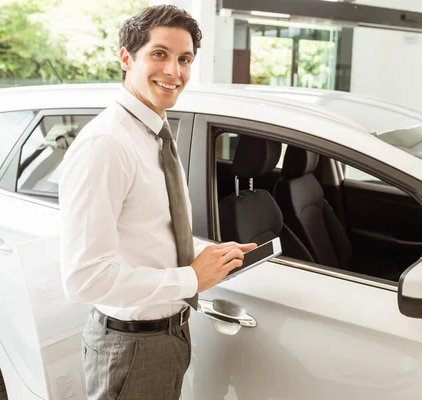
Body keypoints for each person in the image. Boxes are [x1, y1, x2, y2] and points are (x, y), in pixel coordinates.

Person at [58, 5, 256, 400]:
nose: (174, 71)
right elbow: (84, 279)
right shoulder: (107, 144)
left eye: (184, 59)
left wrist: (205, 255)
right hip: (131, 346)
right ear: (126, 57)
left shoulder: (155, 129)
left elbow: (150, 232)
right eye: (160, 54)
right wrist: (191, 279)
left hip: (167, 334)